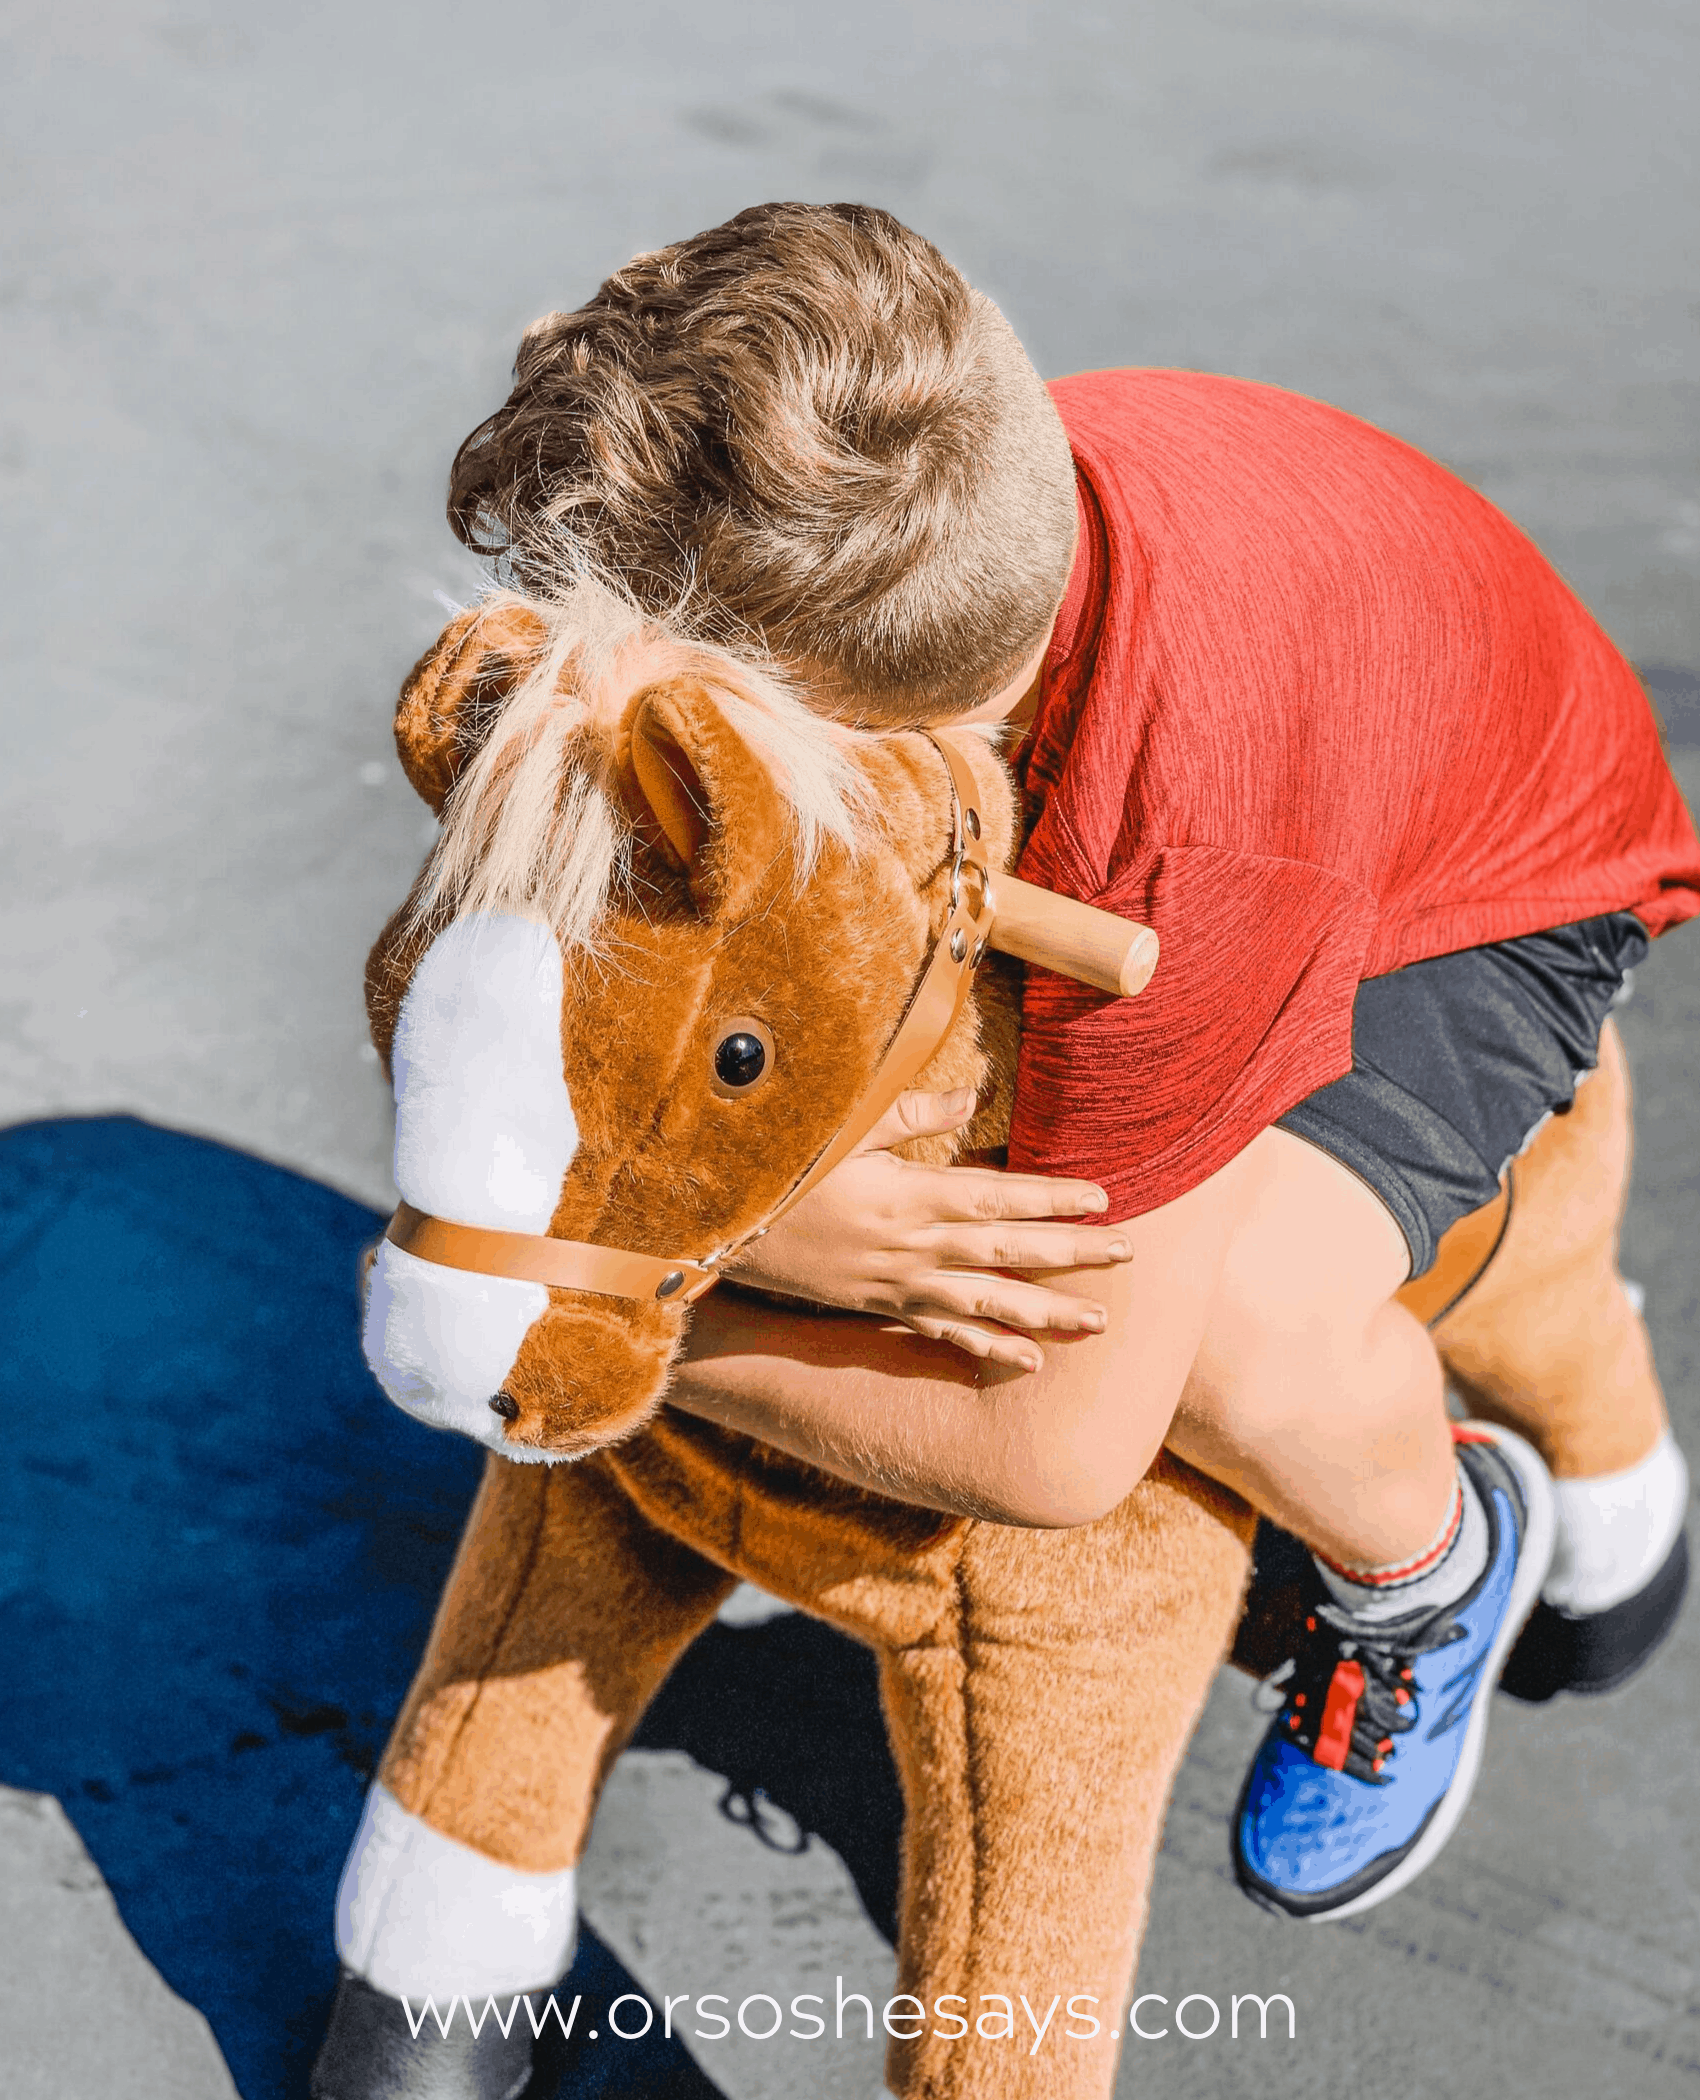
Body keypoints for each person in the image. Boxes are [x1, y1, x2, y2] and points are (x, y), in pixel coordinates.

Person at [443, 200, 1699, 1919]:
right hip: (1339, 701)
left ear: (870, 718)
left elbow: (1055, 1454)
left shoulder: (1175, 856)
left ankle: (1430, 1561)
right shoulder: (930, 492)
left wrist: (630, 1295)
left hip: (1484, 880)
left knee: (1238, 1342)